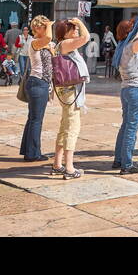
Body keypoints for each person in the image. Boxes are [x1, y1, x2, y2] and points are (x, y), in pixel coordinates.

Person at [112, 8, 138, 174]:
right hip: (136, 89)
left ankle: (118, 159)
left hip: (126, 90)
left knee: (125, 125)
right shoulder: (131, 46)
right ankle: (127, 164)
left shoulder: (122, 46)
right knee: (132, 127)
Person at [50, 17, 91, 179]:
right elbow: (86, 38)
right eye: (73, 29)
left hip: (66, 91)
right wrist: (80, 22)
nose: (76, 31)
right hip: (70, 91)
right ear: (64, 33)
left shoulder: (62, 45)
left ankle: (57, 163)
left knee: (64, 127)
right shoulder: (65, 44)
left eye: (76, 28)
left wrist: (77, 25)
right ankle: (69, 167)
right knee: (72, 129)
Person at [18, 15, 54, 163]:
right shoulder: (34, 42)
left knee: (33, 119)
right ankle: (33, 153)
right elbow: (48, 39)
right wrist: (50, 24)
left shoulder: (41, 43)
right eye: (44, 27)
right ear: (38, 28)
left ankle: (28, 150)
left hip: (40, 83)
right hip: (38, 83)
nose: (46, 30)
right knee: (36, 120)